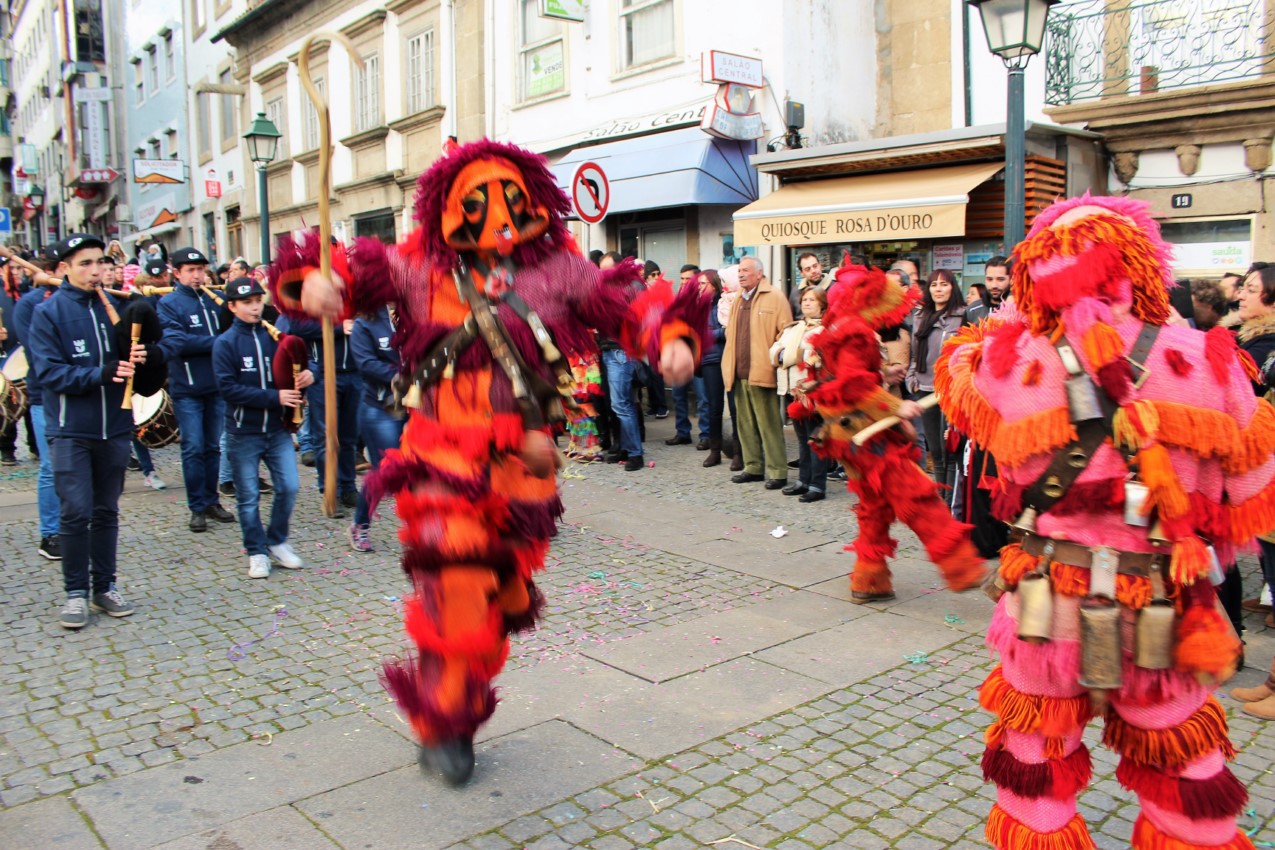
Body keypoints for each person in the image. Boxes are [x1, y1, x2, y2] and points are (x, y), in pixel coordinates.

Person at [269, 139, 706, 785]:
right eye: (479, 205)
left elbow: (624, 305)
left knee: (499, 598)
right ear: (450, 207)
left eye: (510, 204)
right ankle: (445, 720)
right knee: (458, 584)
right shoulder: (417, 263)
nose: (498, 220)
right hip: (441, 457)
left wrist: (668, 337)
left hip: (523, 467)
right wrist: (315, 282)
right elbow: (343, 274)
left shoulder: (557, 267)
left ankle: (460, 694)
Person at [934, 196, 1271, 849]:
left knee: (1033, 760)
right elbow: (1251, 493)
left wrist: (1024, 312)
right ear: (1140, 264)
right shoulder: (1208, 356)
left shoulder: (1005, 364)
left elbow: (959, 359)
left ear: (1035, 272)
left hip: (1045, 600)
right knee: (1181, 760)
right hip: (1160, 601)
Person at [28, 234, 151, 629]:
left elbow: (143, 365)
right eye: (85, 263)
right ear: (65, 267)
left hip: (114, 427)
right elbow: (47, 373)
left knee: (106, 511)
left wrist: (144, 356)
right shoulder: (49, 314)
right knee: (75, 512)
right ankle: (76, 593)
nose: (96, 270)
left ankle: (105, 587)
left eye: (99, 262)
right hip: (70, 431)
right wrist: (102, 373)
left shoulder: (116, 308)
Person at [212, 277, 311, 579]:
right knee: (248, 497)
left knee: (290, 487)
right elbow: (228, 389)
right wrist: (275, 397)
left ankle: (277, 540)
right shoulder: (225, 343)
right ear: (232, 306)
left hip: (279, 429)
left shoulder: (276, 336)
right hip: (244, 432)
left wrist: (309, 374)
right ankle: (256, 551)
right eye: (247, 302)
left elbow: (304, 361)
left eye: (258, 300)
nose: (255, 307)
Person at [155, 248, 234, 531]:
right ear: (176, 273)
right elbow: (178, 342)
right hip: (187, 387)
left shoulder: (217, 301)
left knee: (213, 447)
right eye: (190, 270)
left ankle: (212, 501)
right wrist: (220, 342)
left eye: (201, 269)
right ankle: (197, 507)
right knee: (193, 447)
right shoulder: (169, 304)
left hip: (217, 386)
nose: (198, 275)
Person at [722, 256, 792, 488]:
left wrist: (775, 358)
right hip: (739, 371)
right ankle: (753, 467)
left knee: (769, 424)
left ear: (759, 273)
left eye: (746, 271)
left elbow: (787, 333)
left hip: (762, 371)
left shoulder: (775, 297)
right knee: (745, 424)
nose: (740, 274)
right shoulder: (737, 300)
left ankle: (778, 472)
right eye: (739, 271)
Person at [287, 313, 363, 509]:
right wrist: (338, 327)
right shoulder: (313, 295)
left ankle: (348, 487)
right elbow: (297, 326)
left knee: (349, 437)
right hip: (324, 374)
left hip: (354, 374)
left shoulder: (355, 296)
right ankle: (330, 490)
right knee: (326, 437)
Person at [347, 306, 407, 551]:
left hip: (415, 407)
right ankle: (360, 524)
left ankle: (421, 525)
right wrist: (401, 376)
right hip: (381, 409)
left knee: (419, 467)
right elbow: (366, 363)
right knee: (385, 471)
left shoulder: (412, 312)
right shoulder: (365, 322)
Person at [12, 263, 61, 558]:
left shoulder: (90, 297)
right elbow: (41, 355)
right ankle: (51, 533)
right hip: (46, 396)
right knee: (51, 467)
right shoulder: (30, 305)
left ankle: (79, 526)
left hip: (85, 396)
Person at [905, 269, 966, 499]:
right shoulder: (921, 315)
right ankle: (942, 497)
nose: (938, 289)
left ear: (953, 287)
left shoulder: (962, 315)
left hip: (951, 392)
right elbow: (915, 352)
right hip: (925, 389)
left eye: (944, 284)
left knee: (950, 450)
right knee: (936, 451)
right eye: (934, 285)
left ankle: (952, 501)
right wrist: (912, 378)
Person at [771, 287, 827, 502]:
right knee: (802, 440)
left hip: (812, 391)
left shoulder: (824, 330)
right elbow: (773, 352)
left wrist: (788, 354)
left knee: (815, 439)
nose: (807, 303)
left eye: (812, 300)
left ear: (822, 304)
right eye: (804, 299)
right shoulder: (794, 328)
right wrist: (793, 355)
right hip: (791, 389)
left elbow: (819, 358)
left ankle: (817, 485)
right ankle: (803, 480)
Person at [668, 263, 708, 447]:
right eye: (682, 279)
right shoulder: (677, 299)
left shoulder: (703, 299)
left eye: (688, 279)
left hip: (699, 355)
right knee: (678, 396)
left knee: (703, 397)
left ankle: (706, 435)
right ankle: (682, 432)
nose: (684, 283)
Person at [698, 270, 727, 468]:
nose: (700, 287)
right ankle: (715, 451)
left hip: (723, 356)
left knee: (734, 407)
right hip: (708, 359)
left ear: (714, 285)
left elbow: (728, 328)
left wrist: (709, 335)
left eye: (703, 284)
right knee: (714, 407)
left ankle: (739, 451)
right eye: (699, 284)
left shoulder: (723, 303)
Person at [964, 256, 1010, 324]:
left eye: (1000, 279)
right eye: (989, 279)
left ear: (1012, 279)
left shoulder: (1022, 310)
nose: (994, 285)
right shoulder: (971, 310)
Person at [789, 252, 835, 316]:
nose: (813, 271)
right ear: (802, 273)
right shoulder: (796, 292)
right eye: (808, 269)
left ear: (820, 265)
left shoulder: (835, 288)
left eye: (815, 266)